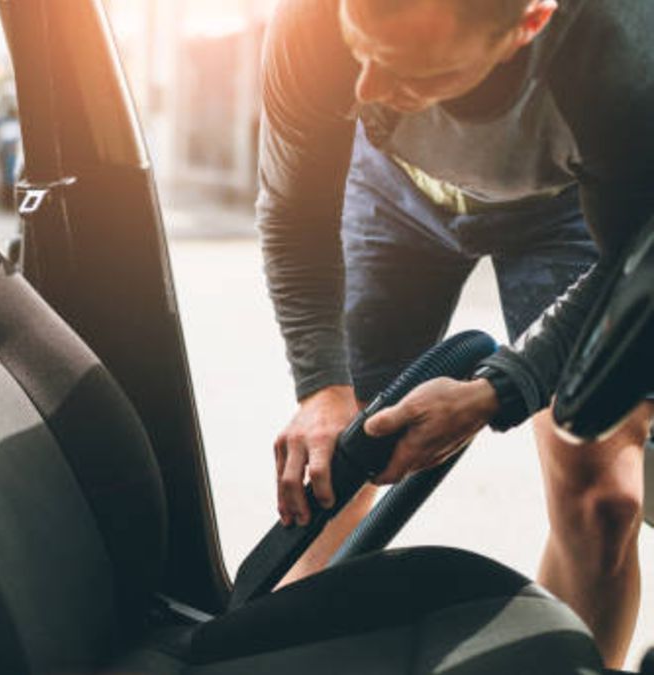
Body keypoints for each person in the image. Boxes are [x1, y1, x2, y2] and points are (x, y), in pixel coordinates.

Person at [258, 0, 654, 666]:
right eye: (362, 50)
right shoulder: (313, 19)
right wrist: (322, 387)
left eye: (412, 71)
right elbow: (293, 212)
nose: (367, 91)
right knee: (340, 463)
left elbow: (633, 269)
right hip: (394, 193)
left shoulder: (622, 50)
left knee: (604, 497)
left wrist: (498, 391)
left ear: (529, 24)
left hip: (570, 203)